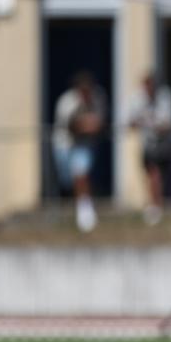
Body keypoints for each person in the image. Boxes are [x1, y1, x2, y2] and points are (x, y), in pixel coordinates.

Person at [53, 70, 106, 232]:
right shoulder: (67, 101)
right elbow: (70, 125)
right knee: (68, 180)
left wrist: (92, 126)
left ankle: (85, 211)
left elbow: (100, 122)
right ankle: (72, 206)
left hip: (84, 145)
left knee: (80, 173)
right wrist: (84, 125)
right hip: (65, 144)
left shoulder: (98, 98)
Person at [129, 72, 171, 225]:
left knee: (158, 175)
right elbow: (130, 121)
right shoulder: (137, 98)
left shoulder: (166, 97)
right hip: (148, 143)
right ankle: (154, 205)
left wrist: (152, 123)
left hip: (164, 144)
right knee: (152, 174)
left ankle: (156, 205)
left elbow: (167, 123)